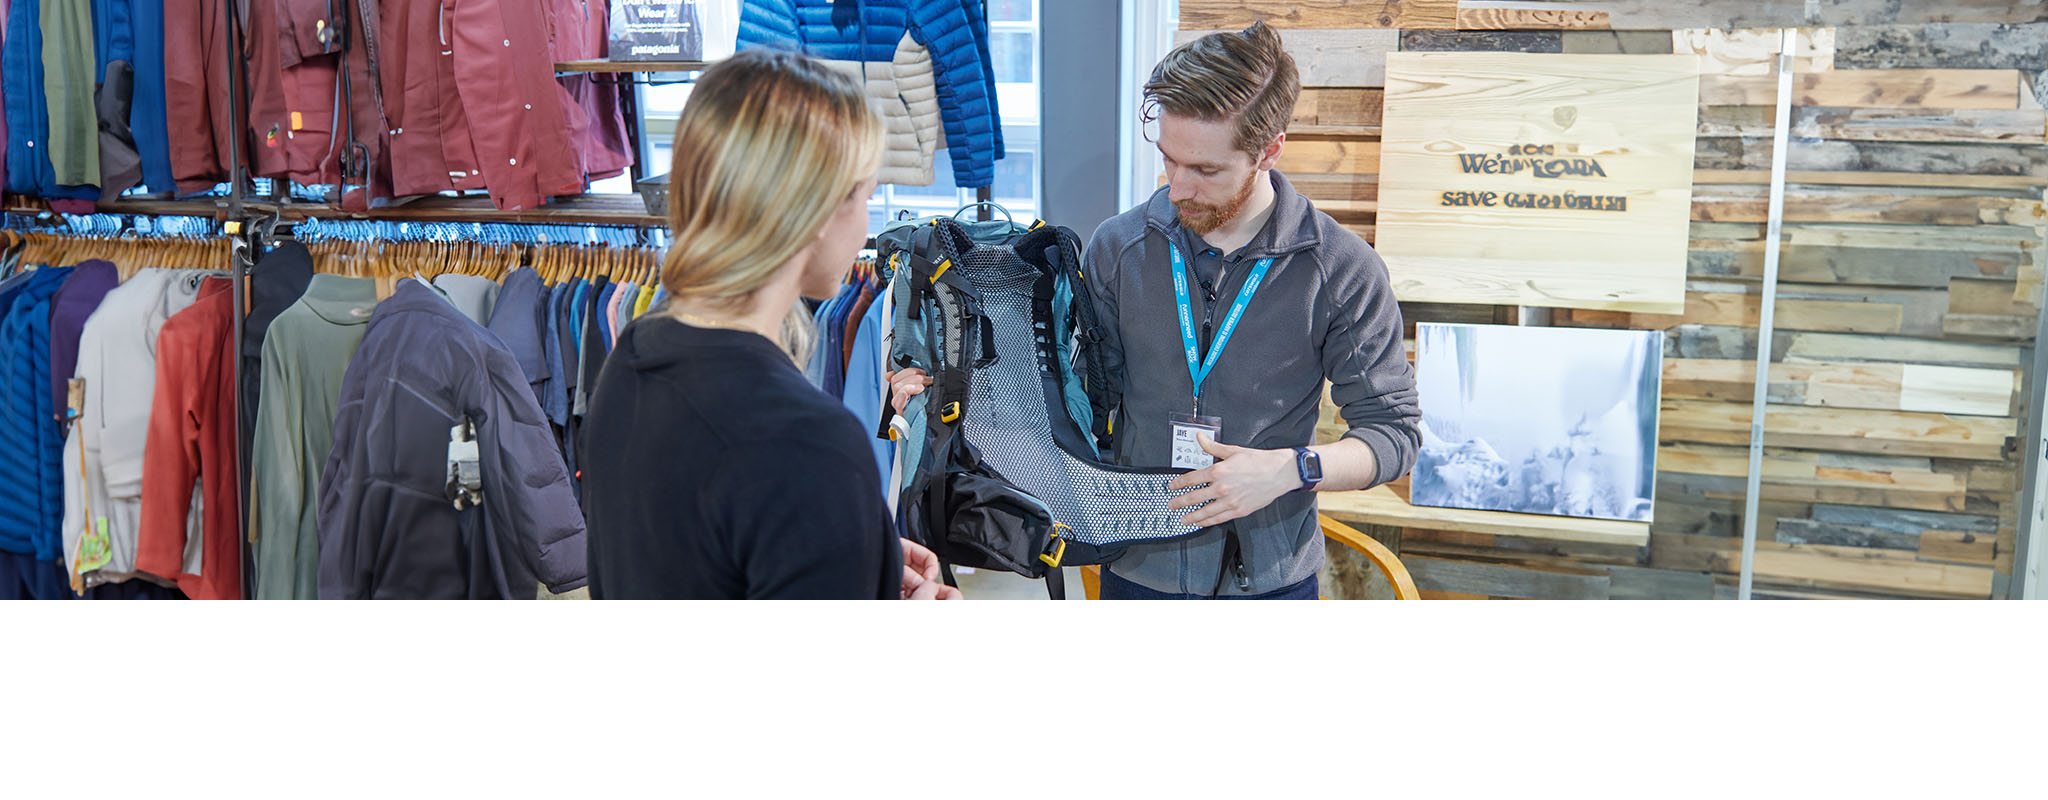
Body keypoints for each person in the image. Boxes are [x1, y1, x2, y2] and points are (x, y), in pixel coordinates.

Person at [892, 22, 1420, 599]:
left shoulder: (1341, 270)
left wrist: (1290, 470)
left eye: (1206, 170)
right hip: (1134, 564)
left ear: (1269, 150)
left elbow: (1393, 434)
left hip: (1267, 582)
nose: (1176, 188)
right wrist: (942, 395)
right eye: (1169, 159)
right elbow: (1065, 400)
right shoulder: (1118, 249)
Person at [582, 49, 959, 600]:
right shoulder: (811, 445)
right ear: (810, 213)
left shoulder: (632, 358)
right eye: (864, 196)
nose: (867, 226)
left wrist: (850, 550)